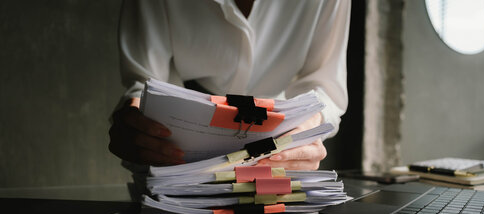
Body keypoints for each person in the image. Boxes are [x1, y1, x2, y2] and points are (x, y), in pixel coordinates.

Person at [109, 0, 350, 171]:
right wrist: (137, 119)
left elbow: (326, 86)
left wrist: (306, 130)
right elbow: (144, 82)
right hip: (179, 152)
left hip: (276, 145)